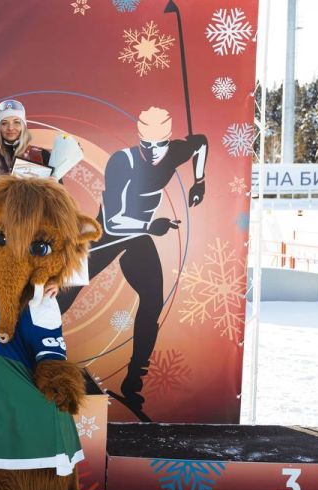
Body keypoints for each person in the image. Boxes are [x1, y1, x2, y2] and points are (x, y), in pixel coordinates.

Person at [57, 107, 208, 415]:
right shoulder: (121, 162)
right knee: (63, 296)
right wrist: (150, 227)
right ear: (139, 139)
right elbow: (113, 222)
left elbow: (201, 142)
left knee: (153, 301)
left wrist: (200, 180)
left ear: (167, 140)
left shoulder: (173, 152)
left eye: (160, 145)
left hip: (139, 237)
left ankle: (133, 383)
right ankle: (37, 359)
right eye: (147, 145)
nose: (154, 153)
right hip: (107, 234)